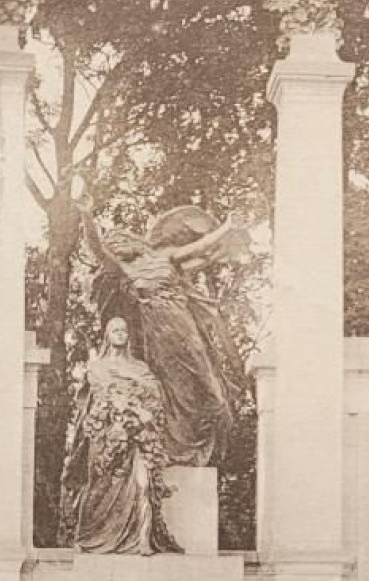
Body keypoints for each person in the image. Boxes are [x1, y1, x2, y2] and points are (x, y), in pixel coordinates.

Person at [79, 194, 248, 468]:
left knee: (204, 380)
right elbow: (96, 247)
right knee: (169, 388)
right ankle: (174, 443)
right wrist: (86, 215)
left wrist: (227, 227)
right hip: (156, 335)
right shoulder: (123, 268)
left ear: (134, 240)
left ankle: (208, 427)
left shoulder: (165, 256)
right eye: (115, 244)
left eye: (122, 239)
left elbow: (198, 248)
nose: (118, 245)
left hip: (183, 325)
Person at [62, 317, 183, 555]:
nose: (120, 334)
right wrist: (132, 408)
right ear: (107, 336)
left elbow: (154, 396)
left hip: (138, 436)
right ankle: (91, 535)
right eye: (115, 330)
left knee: (143, 485)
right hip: (108, 438)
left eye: (124, 330)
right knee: (99, 491)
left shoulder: (140, 368)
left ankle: (143, 539)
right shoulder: (98, 368)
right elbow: (103, 397)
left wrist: (139, 413)